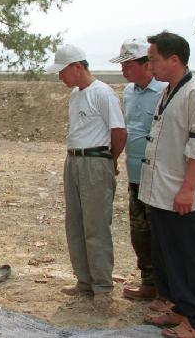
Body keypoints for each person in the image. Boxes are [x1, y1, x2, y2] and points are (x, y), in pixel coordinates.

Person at [140, 31, 195, 338]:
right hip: (164, 192)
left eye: (153, 60)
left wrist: (189, 189)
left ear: (173, 59)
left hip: (188, 194)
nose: (149, 67)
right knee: (168, 254)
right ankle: (178, 307)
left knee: (189, 256)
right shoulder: (170, 91)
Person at [47, 44, 126, 307]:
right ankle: (84, 280)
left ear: (77, 67)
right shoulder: (75, 95)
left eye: (62, 71)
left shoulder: (103, 93)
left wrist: (109, 160)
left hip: (95, 161)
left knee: (96, 225)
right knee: (76, 223)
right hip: (74, 160)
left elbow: (118, 131)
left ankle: (103, 286)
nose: (60, 77)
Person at [110, 38, 167, 301]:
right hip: (136, 176)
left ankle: (167, 291)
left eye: (128, 64)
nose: (124, 70)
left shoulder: (166, 91)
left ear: (146, 64)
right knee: (140, 233)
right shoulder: (130, 93)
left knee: (163, 235)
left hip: (160, 178)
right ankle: (148, 283)